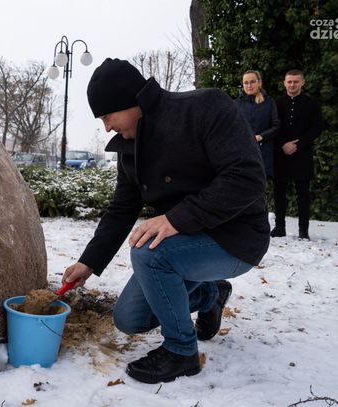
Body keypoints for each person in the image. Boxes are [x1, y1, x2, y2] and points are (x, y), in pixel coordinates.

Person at [61, 58, 269, 384]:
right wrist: (88, 262)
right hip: (185, 243)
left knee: (149, 253)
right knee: (129, 319)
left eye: (106, 117)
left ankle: (181, 351)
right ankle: (210, 295)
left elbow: (247, 178)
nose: (106, 128)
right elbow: (121, 210)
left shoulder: (205, 107)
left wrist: (176, 218)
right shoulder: (130, 148)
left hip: (237, 237)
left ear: (130, 101)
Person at [271, 69, 323, 240]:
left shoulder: (312, 104)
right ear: (284, 83)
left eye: (296, 81)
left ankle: (303, 230)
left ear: (302, 82)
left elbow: (317, 128)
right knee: (279, 192)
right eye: (289, 81)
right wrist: (283, 144)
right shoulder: (276, 103)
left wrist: (298, 145)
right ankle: (279, 227)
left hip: (303, 154)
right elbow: (272, 127)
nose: (292, 85)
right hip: (281, 154)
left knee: (303, 194)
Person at [235, 70, 280, 179]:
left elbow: (276, 126)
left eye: (252, 82)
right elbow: (231, 129)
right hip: (243, 154)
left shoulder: (269, 102)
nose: (249, 85)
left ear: (259, 83)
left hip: (264, 153)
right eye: (246, 83)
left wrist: (261, 136)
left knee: (261, 185)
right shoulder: (236, 104)